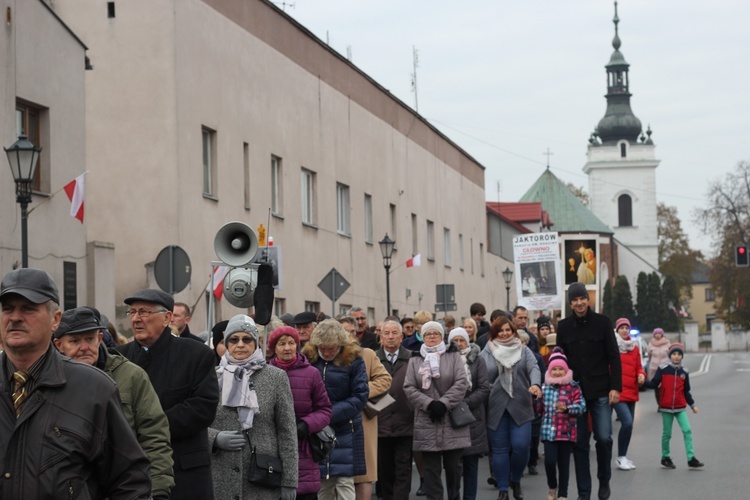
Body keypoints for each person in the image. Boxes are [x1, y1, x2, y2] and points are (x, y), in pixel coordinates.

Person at [0, 268, 152, 498]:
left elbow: (131, 482)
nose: (15, 317)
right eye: (7, 308)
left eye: (29, 308)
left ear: (55, 320)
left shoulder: (94, 389)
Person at [53, 307, 175, 498]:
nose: (84, 347)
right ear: (59, 344)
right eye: (75, 341)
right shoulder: (48, 380)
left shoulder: (131, 376)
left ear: (100, 339)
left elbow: (154, 437)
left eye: (89, 339)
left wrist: (156, 491)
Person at [117, 289, 220, 499]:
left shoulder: (196, 354)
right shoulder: (120, 358)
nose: (136, 319)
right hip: (132, 471)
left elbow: (203, 407)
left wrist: (149, 428)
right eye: (132, 312)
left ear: (166, 318)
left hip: (184, 473)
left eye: (144, 312)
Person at [208, 315, 298, 499]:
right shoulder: (210, 377)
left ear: (256, 342)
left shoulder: (276, 378)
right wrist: (214, 438)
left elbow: (287, 431)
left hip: (262, 476)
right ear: (226, 343)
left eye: (246, 339)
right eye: (234, 339)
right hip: (219, 473)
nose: (240, 344)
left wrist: (289, 481)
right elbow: (195, 423)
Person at [556, 283, 621, 500]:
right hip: (575, 394)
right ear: (570, 303)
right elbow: (560, 361)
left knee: (604, 438)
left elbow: (614, 357)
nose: (579, 303)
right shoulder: (564, 327)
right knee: (580, 444)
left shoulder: (602, 323)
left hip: (601, 390)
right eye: (574, 300)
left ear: (588, 299)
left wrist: (615, 387)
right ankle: (584, 492)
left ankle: (604, 480)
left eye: (582, 298)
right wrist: (560, 391)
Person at [302, 319, 369, 500]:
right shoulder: (308, 359)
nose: (326, 352)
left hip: (346, 428)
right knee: (323, 483)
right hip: (317, 430)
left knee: (345, 482)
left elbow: (360, 396)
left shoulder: (353, 359)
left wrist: (327, 415)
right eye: (322, 348)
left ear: (340, 345)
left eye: (331, 348)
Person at [404, 321, 471, 500]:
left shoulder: (453, 356)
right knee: (431, 471)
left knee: (454, 469)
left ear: (442, 336)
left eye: (436, 333)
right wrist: (429, 404)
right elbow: (409, 387)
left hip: (452, 420)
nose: (432, 336)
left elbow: (461, 383)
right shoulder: (415, 359)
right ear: (423, 337)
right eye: (428, 334)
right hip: (426, 420)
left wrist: (443, 403)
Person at [480, 316, 542, 500]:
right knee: (499, 451)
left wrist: (536, 385)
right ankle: (503, 489)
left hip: (521, 403)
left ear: (513, 331)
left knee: (521, 446)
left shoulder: (523, 350)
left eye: (508, 330)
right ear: (494, 333)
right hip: (495, 406)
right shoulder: (487, 352)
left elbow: (534, 368)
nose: (504, 333)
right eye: (500, 330)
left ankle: (515, 480)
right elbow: (480, 375)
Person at [268, 326, 332, 500]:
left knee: (304, 494)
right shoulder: (264, 373)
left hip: (304, 447)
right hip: (271, 448)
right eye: (282, 344)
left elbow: (324, 409)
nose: (287, 348)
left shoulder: (311, 374)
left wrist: (306, 425)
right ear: (274, 348)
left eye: (291, 343)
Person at [340, 316, 392, 500]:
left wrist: (361, 391)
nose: (350, 336)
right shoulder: (329, 355)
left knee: (365, 474)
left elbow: (385, 380)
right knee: (339, 475)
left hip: (363, 419)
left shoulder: (367, 354)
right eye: (345, 331)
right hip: (338, 419)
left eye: (353, 332)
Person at [644, 343, 704, 470]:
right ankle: (665, 457)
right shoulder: (663, 368)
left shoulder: (684, 372)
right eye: (674, 354)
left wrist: (692, 405)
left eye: (679, 354)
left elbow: (686, 391)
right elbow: (655, 384)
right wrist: (642, 382)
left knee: (687, 430)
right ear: (670, 355)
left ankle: (691, 458)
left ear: (682, 356)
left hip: (680, 407)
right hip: (666, 406)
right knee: (667, 433)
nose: (676, 357)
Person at [376, 320, 415, 500]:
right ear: (381, 337)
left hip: (405, 422)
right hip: (380, 423)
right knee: (385, 470)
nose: (390, 337)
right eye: (387, 333)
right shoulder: (373, 359)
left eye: (394, 333)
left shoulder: (412, 358)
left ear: (401, 337)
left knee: (403, 468)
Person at [448, 327, 490, 500]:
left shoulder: (478, 360)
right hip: (450, 416)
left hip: (473, 416)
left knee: (471, 464)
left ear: (467, 341)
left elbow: (484, 387)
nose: (458, 344)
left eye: (462, 340)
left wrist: (465, 403)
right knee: (453, 466)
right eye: (455, 340)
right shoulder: (445, 359)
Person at [540, 348, 586, 500]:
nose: (558, 372)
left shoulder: (573, 387)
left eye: (561, 369)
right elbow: (538, 408)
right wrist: (534, 399)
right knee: (549, 461)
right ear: (550, 370)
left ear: (566, 370)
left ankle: (562, 494)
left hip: (566, 432)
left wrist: (567, 409)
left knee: (564, 464)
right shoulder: (544, 387)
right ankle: (552, 485)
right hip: (548, 432)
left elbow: (582, 407)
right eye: (555, 369)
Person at [612, 318, 646, 471]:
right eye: (622, 328)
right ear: (617, 330)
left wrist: (641, 375)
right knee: (627, 422)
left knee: (629, 426)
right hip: (618, 392)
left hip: (632, 390)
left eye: (627, 327)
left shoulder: (634, 348)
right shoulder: (612, 346)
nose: (625, 330)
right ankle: (620, 458)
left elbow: (639, 366)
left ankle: (623, 456)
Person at [646, 327, 670, 407]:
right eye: (655, 333)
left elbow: (670, 355)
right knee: (656, 387)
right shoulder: (651, 344)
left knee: (664, 387)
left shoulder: (667, 343)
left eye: (659, 333)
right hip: (654, 368)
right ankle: (659, 404)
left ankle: (665, 403)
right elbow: (649, 355)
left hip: (664, 368)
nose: (657, 335)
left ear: (662, 334)